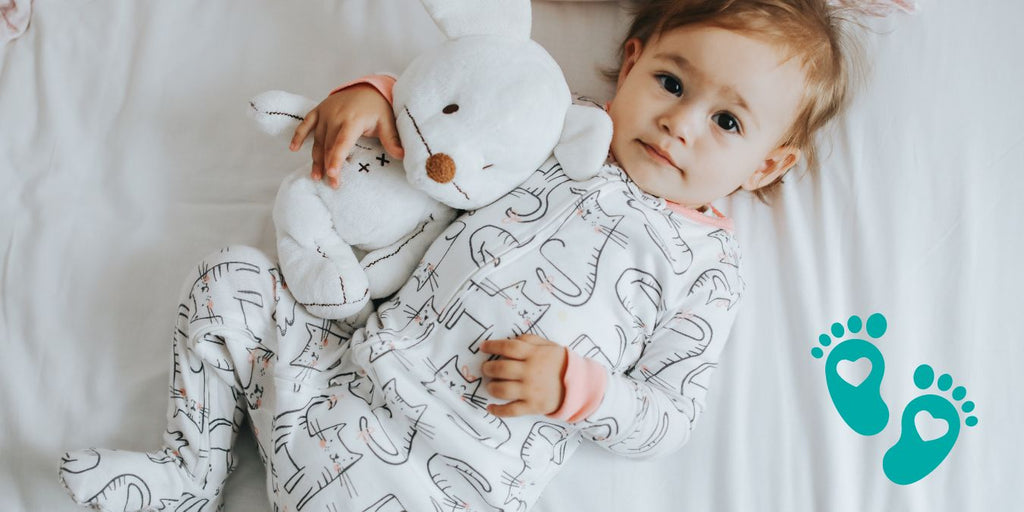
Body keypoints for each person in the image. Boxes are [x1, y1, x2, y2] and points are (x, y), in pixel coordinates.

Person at [59, 1, 854, 511]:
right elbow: (448, 104)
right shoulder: (555, 123)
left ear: (768, 167)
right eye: (674, 83)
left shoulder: (707, 268)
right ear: (635, 60)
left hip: (442, 475)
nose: (682, 123)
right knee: (230, 279)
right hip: (335, 375)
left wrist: (578, 390)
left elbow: (669, 416)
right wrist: (374, 96)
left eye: (728, 124)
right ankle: (189, 476)